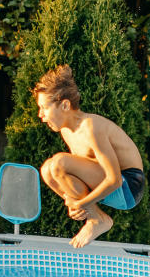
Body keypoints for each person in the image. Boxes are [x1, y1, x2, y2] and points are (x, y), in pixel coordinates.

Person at [34, 65, 144, 248]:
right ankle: (96, 217)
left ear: (65, 105)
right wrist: (75, 201)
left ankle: (96, 219)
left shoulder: (91, 127)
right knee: (47, 170)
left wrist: (82, 203)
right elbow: (77, 175)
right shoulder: (66, 131)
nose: (41, 115)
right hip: (109, 186)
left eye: (44, 108)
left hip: (128, 186)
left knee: (58, 163)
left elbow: (114, 180)